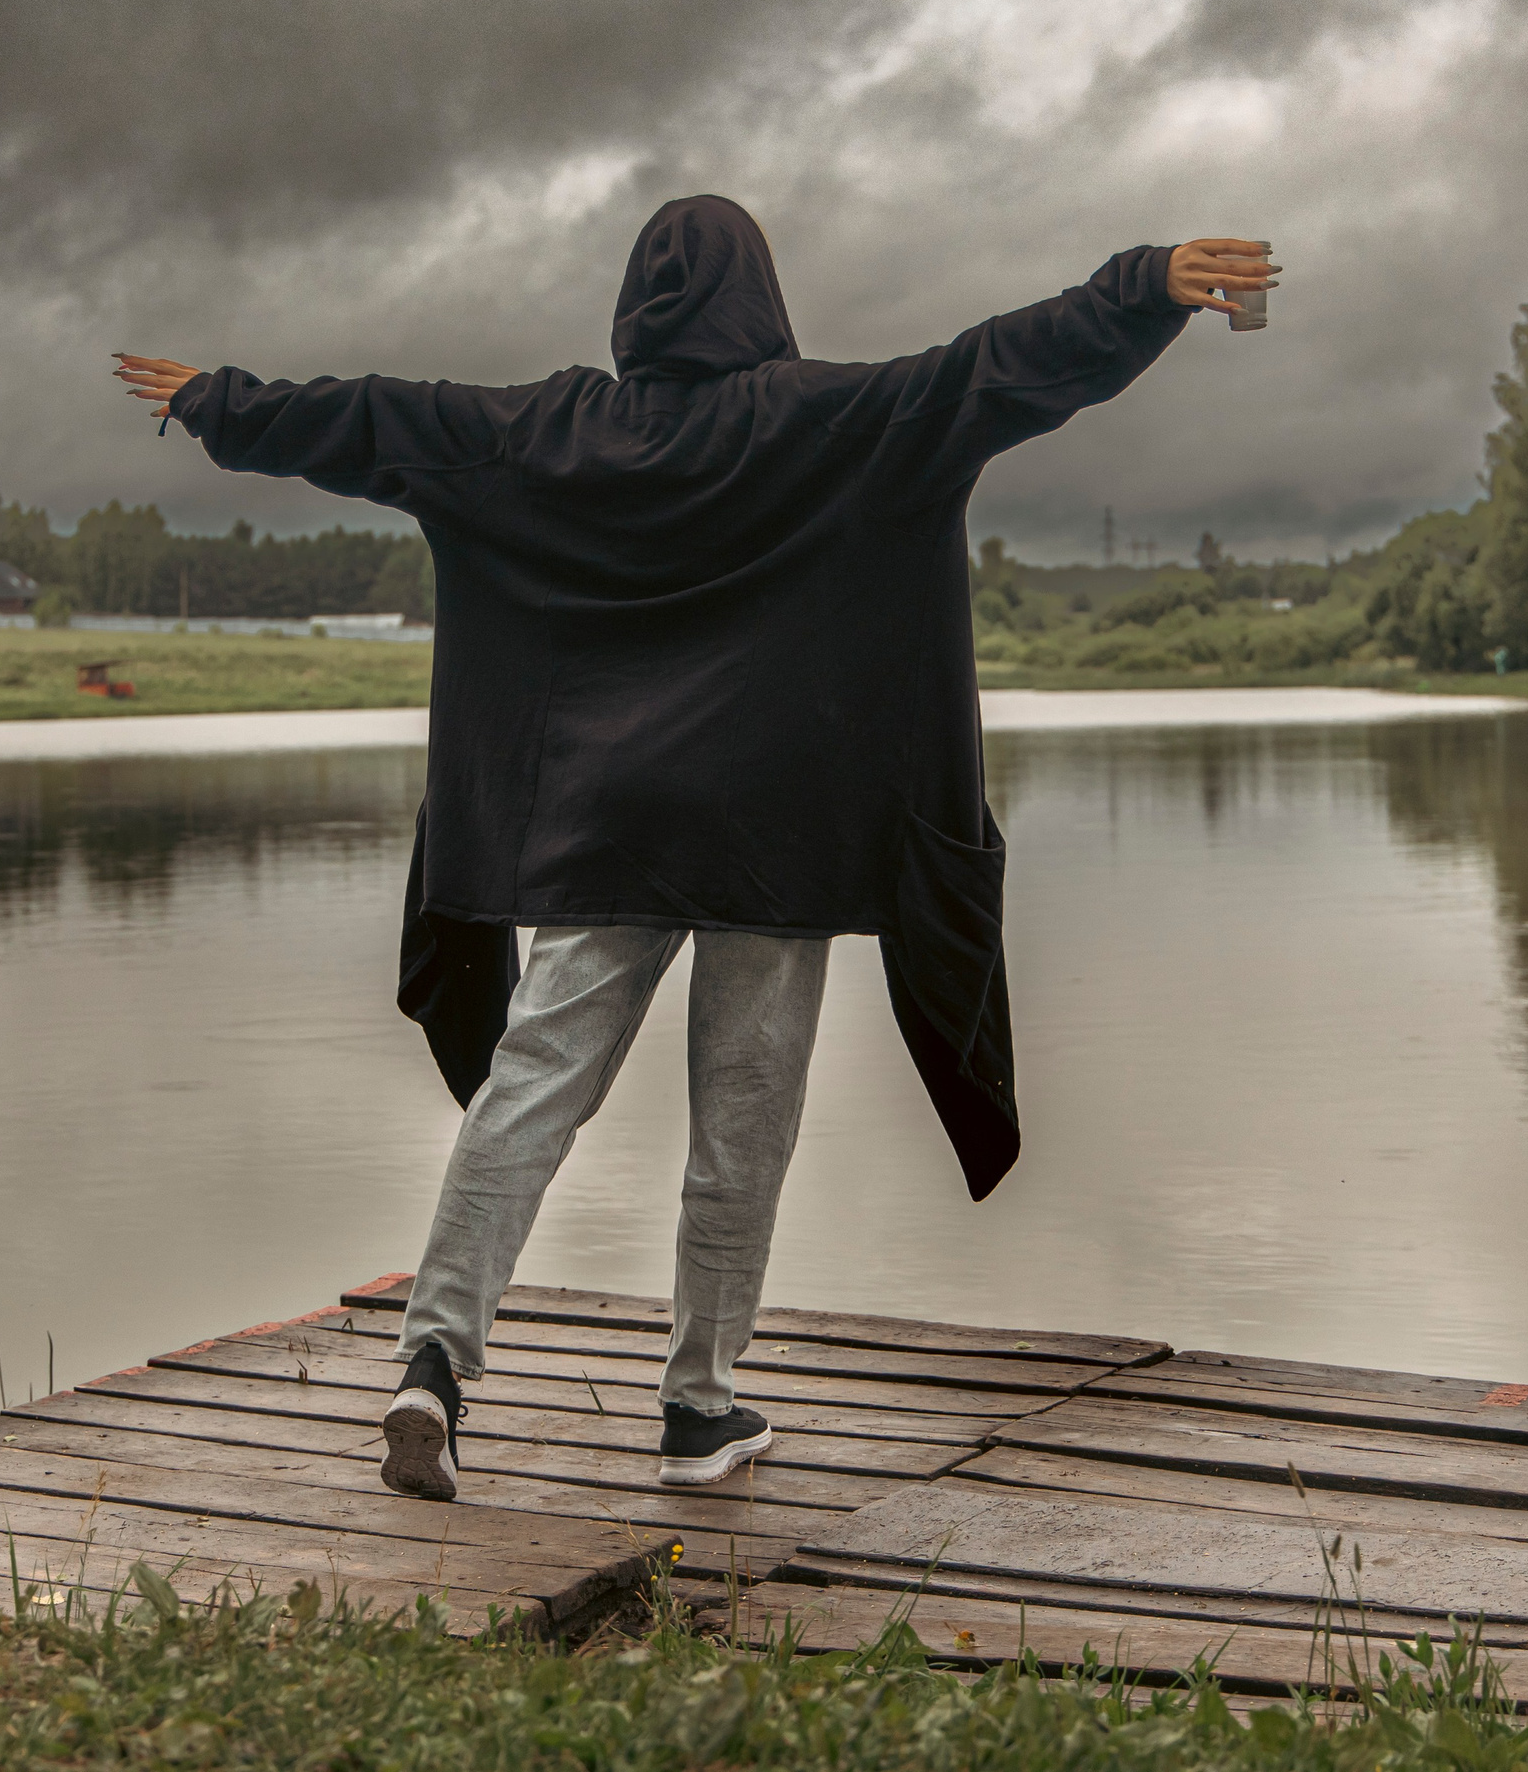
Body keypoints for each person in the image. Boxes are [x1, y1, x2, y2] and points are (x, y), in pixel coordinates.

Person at [114, 200, 1274, 1500]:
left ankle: (435, 1361)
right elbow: (995, 369)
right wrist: (1146, 287)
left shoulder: (548, 430)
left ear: (635, 306)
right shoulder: (824, 418)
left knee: (532, 1083)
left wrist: (219, 400)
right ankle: (697, 1409)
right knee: (743, 1122)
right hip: (777, 840)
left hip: (608, 831)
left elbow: (382, 420)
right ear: (761, 296)